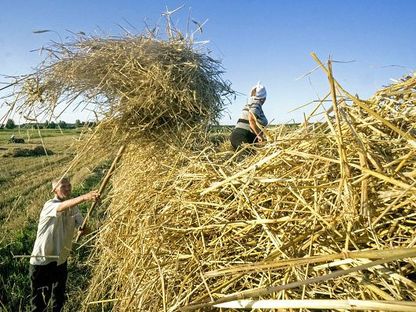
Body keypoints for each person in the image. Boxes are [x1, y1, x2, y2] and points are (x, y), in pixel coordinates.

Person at [29, 177, 99, 312]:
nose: (67, 189)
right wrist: (85, 197)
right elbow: (61, 207)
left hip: (61, 260)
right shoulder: (49, 205)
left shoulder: (74, 208)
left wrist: (83, 229)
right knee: (39, 304)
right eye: (63, 187)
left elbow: (85, 228)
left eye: (69, 186)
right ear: (54, 190)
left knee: (58, 299)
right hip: (43, 261)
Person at [230, 82, 269, 150]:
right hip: (243, 136)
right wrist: (259, 136)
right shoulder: (256, 103)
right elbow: (251, 119)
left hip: (240, 136)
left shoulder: (250, 103)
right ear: (263, 98)